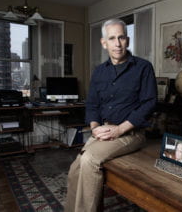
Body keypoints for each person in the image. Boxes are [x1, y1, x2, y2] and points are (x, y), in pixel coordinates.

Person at [64, 18, 157, 212]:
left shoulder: (143, 67)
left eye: (121, 37)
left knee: (89, 160)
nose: (117, 43)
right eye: (112, 38)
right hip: (103, 129)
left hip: (131, 133)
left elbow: (149, 103)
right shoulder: (99, 72)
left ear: (128, 40)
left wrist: (119, 129)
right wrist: (95, 128)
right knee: (75, 169)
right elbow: (92, 104)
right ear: (104, 42)